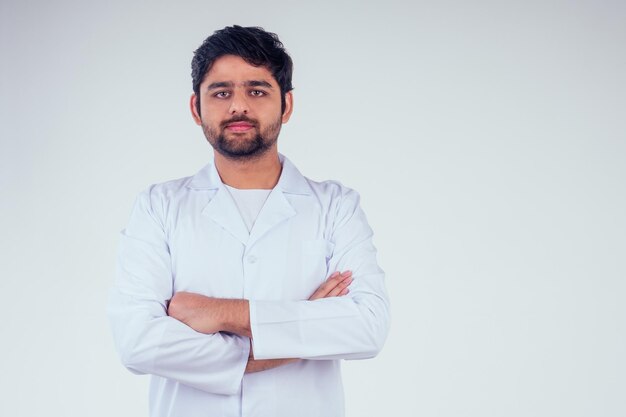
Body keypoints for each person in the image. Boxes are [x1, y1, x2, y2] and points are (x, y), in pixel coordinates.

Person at [107, 25, 390, 417]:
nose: (238, 106)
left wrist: (220, 313)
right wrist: (304, 326)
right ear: (196, 108)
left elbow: (367, 327)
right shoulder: (158, 207)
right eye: (221, 92)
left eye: (257, 91)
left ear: (286, 106)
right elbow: (138, 342)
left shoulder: (336, 207)